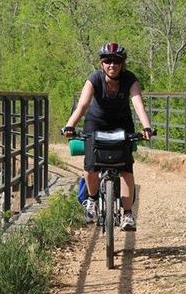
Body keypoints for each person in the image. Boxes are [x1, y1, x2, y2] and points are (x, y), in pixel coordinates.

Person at [61, 42, 152, 231]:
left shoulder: (129, 79)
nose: (112, 65)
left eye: (117, 61)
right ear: (101, 63)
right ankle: (92, 200)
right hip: (96, 123)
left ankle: (127, 214)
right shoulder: (94, 78)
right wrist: (70, 125)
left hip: (122, 124)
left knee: (126, 169)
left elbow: (138, 104)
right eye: (108, 61)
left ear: (123, 63)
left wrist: (146, 127)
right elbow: (83, 105)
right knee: (91, 164)